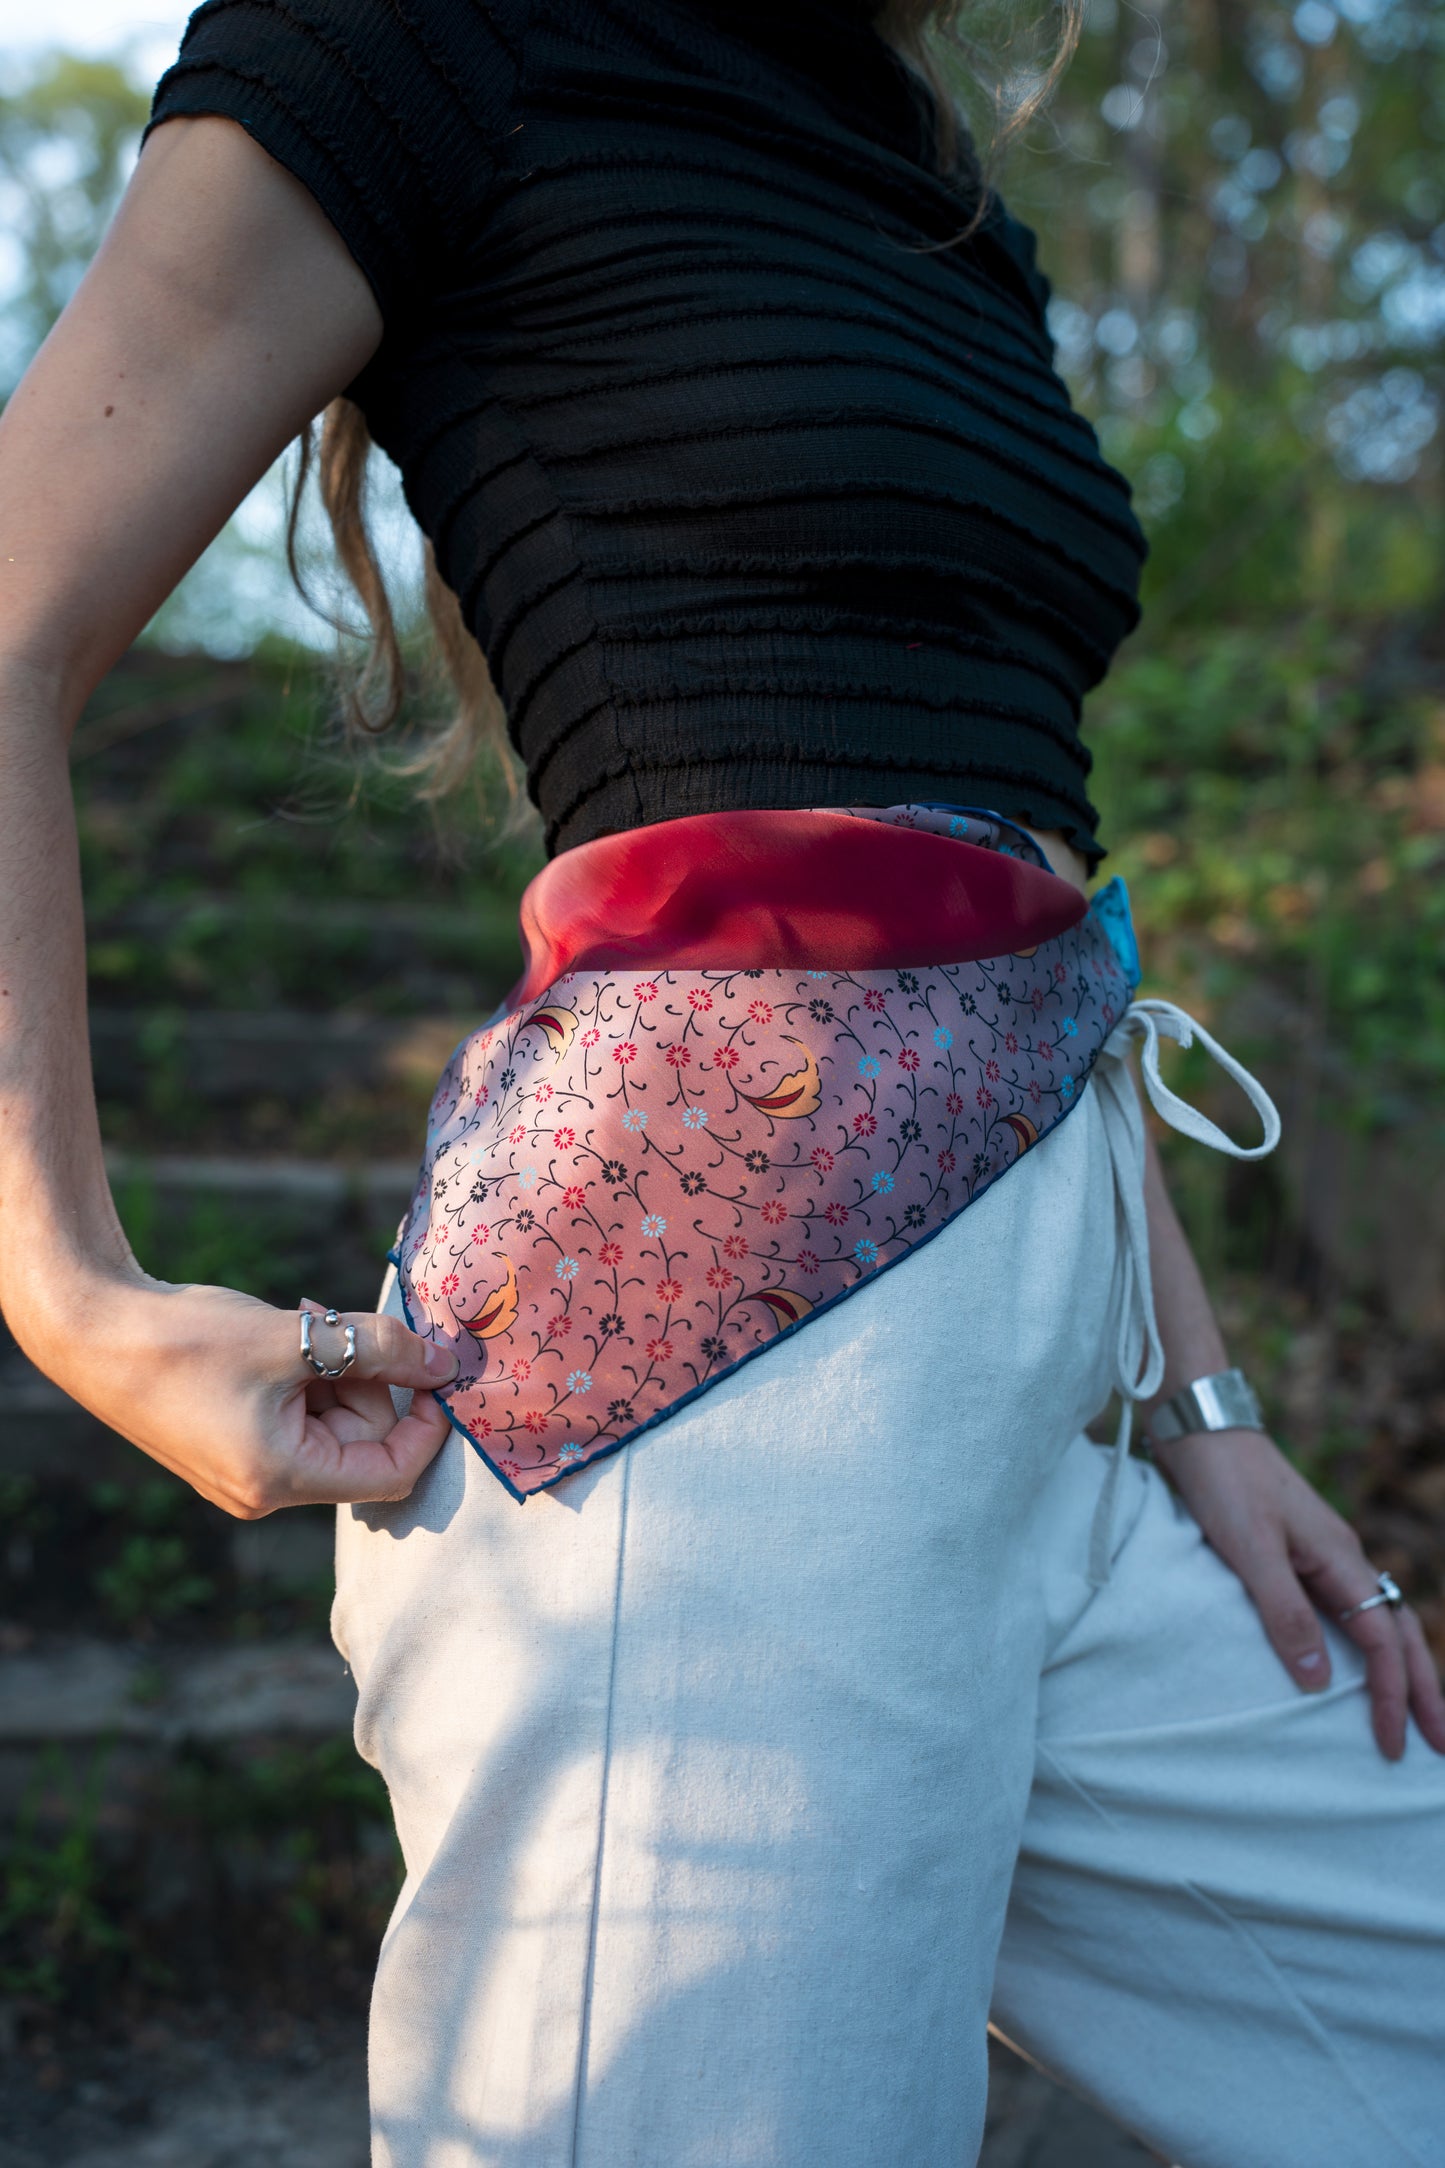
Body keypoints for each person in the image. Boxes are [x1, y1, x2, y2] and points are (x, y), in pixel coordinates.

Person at [0, 2, 1440, 2162]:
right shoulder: (407, 36)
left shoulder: (931, 177)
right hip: (693, 1421)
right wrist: (67, 1290)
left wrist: (1202, 1402)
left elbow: (1025, 854)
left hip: (1040, 1396)